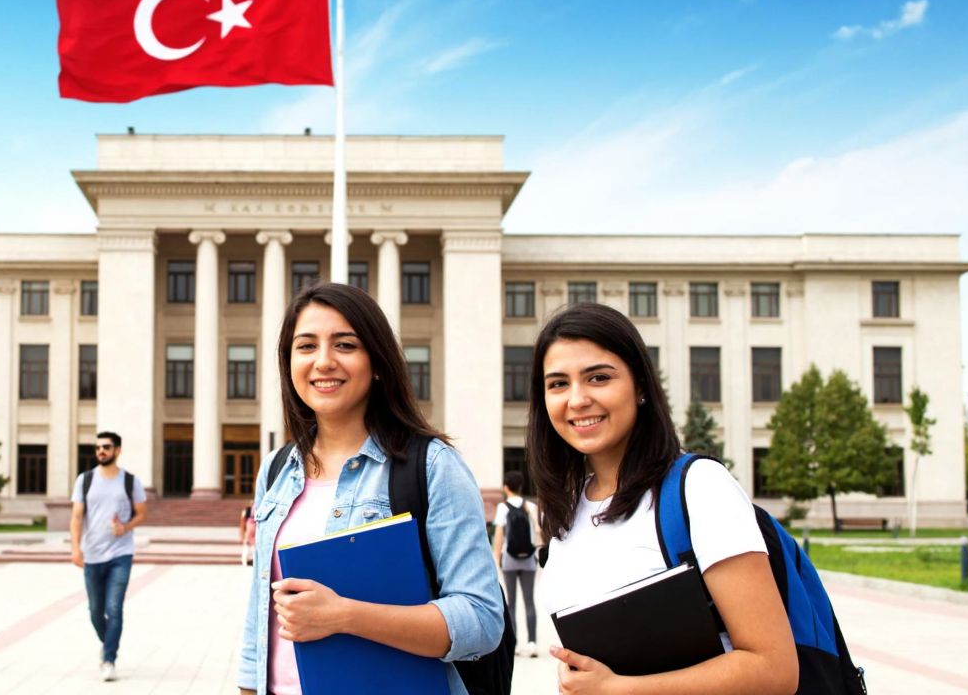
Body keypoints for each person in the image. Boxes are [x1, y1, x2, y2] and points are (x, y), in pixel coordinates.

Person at [238, 283, 503, 695]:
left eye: (345, 345)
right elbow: (262, 613)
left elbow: (482, 620)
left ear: (377, 362)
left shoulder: (431, 465)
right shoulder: (276, 470)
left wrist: (344, 615)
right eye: (306, 347)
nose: (323, 362)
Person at [529, 303, 798, 694]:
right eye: (558, 384)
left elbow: (774, 670)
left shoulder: (700, 488)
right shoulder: (565, 510)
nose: (577, 399)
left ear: (640, 386)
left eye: (598, 378)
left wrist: (618, 689)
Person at [70, 431, 148, 683]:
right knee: (95, 611)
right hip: (92, 555)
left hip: (120, 554)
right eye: (98, 447)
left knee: (114, 608)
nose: (101, 451)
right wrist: (75, 548)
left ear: (117, 450)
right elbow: (77, 516)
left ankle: (109, 659)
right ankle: (108, 644)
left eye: (106, 447)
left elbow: (141, 513)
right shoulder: (85, 480)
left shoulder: (130, 481)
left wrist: (124, 527)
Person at [491, 471, 539, 658]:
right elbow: (538, 530)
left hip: (509, 559)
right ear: (521, 487)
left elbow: (499, 536)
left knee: (511, 604)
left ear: (505, 487)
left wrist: (497, 558)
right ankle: (532, 643)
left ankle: (515, 644)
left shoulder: (503, 508)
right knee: (529, 601)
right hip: (528, 559)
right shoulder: (531, 506)